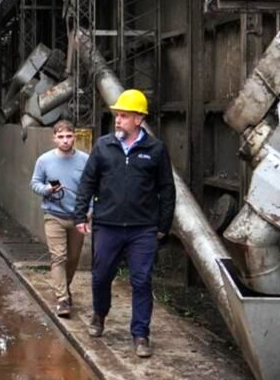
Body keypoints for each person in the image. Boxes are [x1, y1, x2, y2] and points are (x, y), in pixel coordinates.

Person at [73, 89, 175, 360]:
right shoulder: (103, 146)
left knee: (141, 281)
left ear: (139, 119)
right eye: (117, 115)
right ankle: (99, 314)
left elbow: (167, 189)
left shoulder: (155, 150)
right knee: (101, 275)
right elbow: (87, 182)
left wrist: (163, 225)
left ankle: (141, 335)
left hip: (143, 228)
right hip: (108, 225)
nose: (118, 120)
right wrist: (80, 215)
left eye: (124, 116)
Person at [31, 120, 89, 318]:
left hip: (78, 217)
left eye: (69, 136)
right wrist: (48, 189)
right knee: (58, 256)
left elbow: (93, 187)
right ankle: (62, 299)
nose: (65, 141)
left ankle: (65, 287)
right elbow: (35, 183)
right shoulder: (44, 160)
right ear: (54, 138)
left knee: (73, 258)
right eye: (61, 137)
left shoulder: (85, 160)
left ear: (74, 136)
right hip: (53, 214)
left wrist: (90, 210)